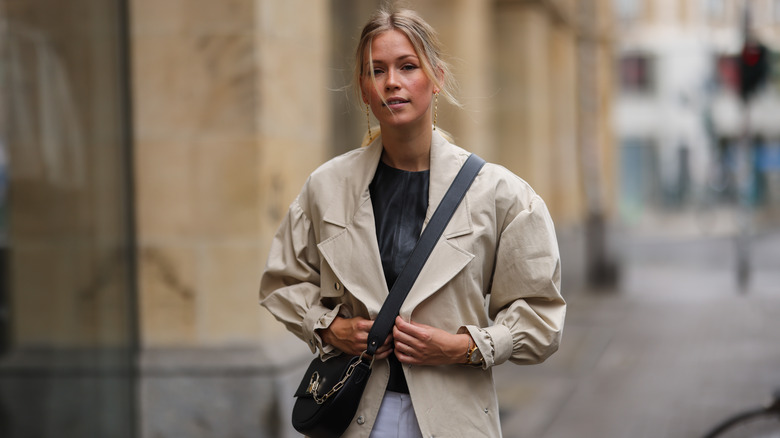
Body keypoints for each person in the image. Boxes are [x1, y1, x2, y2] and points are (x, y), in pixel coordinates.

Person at [259, 7, 565, 437]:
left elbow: (541, 320)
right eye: (376, 70)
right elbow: (281, 282)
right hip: (354, 414)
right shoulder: (326, 188)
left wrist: (465, 347)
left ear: (436, 78)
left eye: (407, 66)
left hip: (453, 417)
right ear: (363, 90)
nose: (392, 82)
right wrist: (332, 328)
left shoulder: (501, 194)